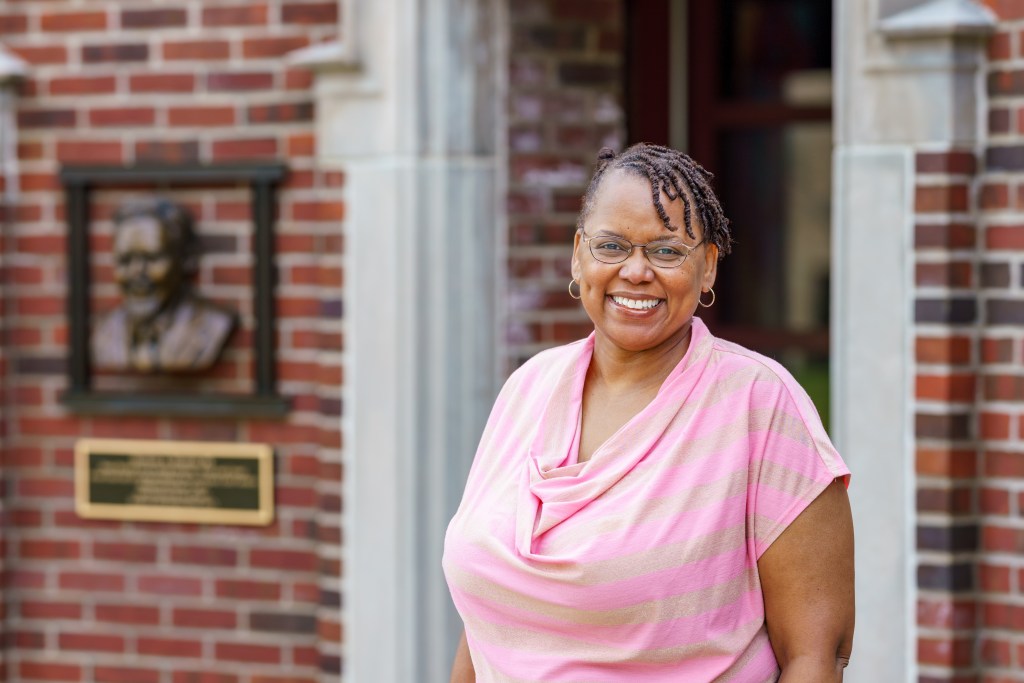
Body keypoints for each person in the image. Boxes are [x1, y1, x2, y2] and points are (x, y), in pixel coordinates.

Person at [443, 143, 853, 682]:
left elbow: (814, 657)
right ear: (577, 256)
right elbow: (488, 617)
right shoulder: (528, 388)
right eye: (611, 246)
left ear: (707, 267)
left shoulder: (760, 405)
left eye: (666, 251)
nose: (635, 272)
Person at [91, 196, 237, 373]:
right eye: (125, 260)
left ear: (185, 259)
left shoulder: (214, 325)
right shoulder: (104, 330)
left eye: (152, 258)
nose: (136, 273)